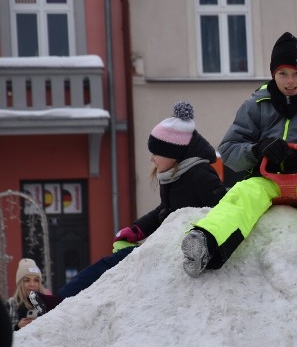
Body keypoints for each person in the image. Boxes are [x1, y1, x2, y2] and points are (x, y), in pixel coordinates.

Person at [181, 32, 297, 291]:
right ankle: (207, 243)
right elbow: (229, 149)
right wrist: (258, 150)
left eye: (296, 74)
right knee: (242, 194)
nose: (290, 82)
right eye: (283, 74)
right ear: (273, 74)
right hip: (266, 178)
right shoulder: (256, 106)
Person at [58, 102, 227, 298]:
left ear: (173, 154)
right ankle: (64, 297)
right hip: (169, 246)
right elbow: (166, 210)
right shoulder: (175, 174)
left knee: (115, 263)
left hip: (181, 251)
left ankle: (61, 298)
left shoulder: (200, 174)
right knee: (116, 263)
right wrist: (138, 229)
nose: (152, 159)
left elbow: (220, 210)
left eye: (156, 153)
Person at [8, 259, 62, 331]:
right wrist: (17, 326)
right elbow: (4, 334)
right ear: (20, 284)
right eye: (27, 280)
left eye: (36, 280)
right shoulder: (11, 304)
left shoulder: (47, 303)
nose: (32, 284)